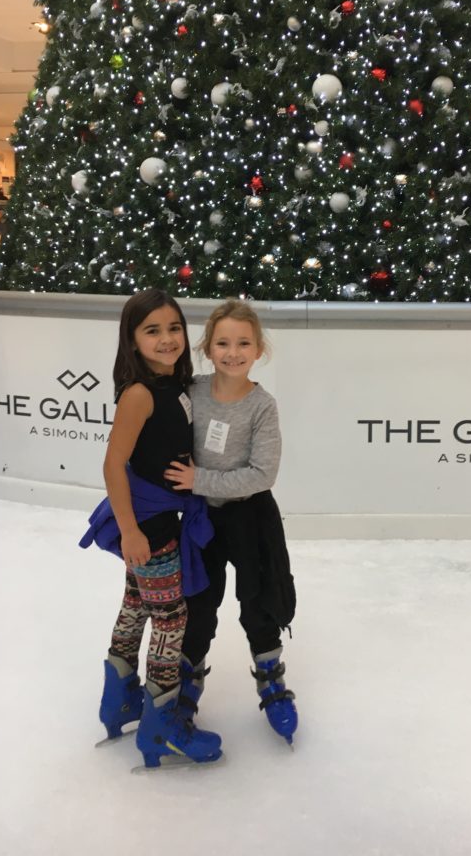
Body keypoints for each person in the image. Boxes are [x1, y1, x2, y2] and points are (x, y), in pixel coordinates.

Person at [78, 289, 222, 768]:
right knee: (171, 618)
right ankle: (162, 726)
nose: (166, 339)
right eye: (152, 331)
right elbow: (113, 465)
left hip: (161, 517)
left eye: (174, 328)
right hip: (149, 523)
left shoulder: (175, 385)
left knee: (137, 604)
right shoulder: (140, 394)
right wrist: (131, 530)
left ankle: (117, 702)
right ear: (132, 340)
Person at [164, 299, 298, 744]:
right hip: (203, 519)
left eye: (243, 343)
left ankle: (271, 678)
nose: (233, 352)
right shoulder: (193, 390)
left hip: (251, 517)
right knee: (199, 602)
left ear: (258, 349)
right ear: (207, 347)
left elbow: (263, 473)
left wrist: (200, 477)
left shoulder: (262, 405)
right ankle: (188, 681)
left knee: (257, 601)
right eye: (222, 342)